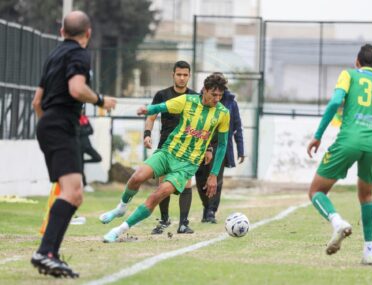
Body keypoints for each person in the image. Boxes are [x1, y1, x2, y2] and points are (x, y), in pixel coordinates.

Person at [306, 44, 372, 265]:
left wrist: (317, 135)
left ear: (357, 61)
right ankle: (369, 252)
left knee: (316, 191)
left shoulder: (349, 75)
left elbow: (336, 101)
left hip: (348, 141)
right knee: (366, 196)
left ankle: (337, 223)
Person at [31, 11, 116, 278]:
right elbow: (77, 89)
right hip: (61, 126)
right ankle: (45, 252)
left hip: (47, 124)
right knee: (72, 193)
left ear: (61, 32)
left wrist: (50, 126)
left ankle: (49, 254)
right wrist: (101, 100)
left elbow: (36, 102)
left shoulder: (54, 55)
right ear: (88, 33)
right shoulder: (79, 54)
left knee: (72, 191)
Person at [99, 74, 229, 243]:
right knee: (136, 177)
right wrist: (148, 110)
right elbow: (163, 106)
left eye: (220, 95)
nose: (217, 99)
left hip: (187, 165)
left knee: (158, 194)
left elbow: (222, 145)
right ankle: (121, 208)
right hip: (168, 152)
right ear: (204, 90)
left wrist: (213, 174)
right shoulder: (188, 101)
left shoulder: (223, 113)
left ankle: (119, 230)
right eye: (214, 94)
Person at [143, 61, 200, 234]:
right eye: (179, 74)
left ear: (189, 76)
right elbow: (151, 117)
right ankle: (164, 220)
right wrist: (147, 134)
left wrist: (208, 148)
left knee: (186, 183)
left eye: (185, 75)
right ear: (173, 75)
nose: (182, 78)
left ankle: (183, 223)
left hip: (187, 147)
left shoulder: (195, 97)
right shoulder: (162, 95)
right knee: (162, 183)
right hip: (166, 144)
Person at [195, 73, 245, 223]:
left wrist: (241, 149)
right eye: (214, 92)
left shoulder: (231, 103)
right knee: (200, 177)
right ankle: (206, 206)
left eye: (220, 93)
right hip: (201, 143)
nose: (216, 96)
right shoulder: (199, 100)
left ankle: (211, 211)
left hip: (221, 144)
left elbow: (237, 127)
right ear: (207, 89)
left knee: (216, 177)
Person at [79, 110, 102, 192]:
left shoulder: (84, 118)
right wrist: (85, 129)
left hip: (88, 146)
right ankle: (84, 185)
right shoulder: (74, 118)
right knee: (81, 169)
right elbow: (77, 132)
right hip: (79, 147)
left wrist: (82, 130)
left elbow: (91, 130)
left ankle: (83, 161)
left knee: (98, 158)